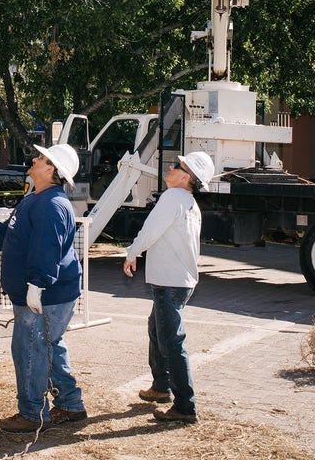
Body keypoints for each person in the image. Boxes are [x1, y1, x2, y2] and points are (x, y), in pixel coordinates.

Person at [0, 143, 87, 433]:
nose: (34, 159)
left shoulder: (51, 205)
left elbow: (46, 250)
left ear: (51, 169)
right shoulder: (34, 198)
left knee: (29, 350)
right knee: (49, 347)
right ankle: (70, 403)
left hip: (46, 295)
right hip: (46, 293)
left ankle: (32, 414)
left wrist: (37, 287)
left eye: (40, 158)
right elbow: (8, 230)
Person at [122, 150, 215, 424]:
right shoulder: (190, 203)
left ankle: (185, 407)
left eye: (177, 165)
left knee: (172, 342)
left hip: (169, 282)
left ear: (186, 177)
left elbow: (151, 230)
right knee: (157, 330)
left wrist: (131, 253)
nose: (170, 167)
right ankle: (161, 387)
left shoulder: (172, 197)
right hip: (181, 281)